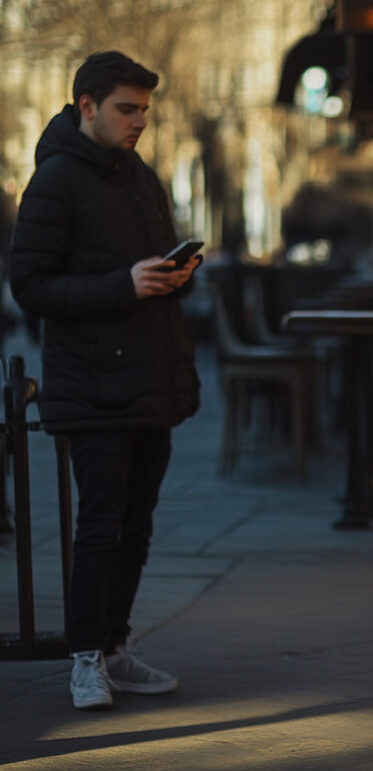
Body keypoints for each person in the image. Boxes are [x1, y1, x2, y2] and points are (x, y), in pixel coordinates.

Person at [9, 51, 201, 710]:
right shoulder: (56, 179)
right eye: (127, 107)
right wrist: (123, 285)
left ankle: (115, 648)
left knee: (136, 526)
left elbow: (147, 263)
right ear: (87, 105)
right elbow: (29, 284)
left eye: (145, 108)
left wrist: (173, 274)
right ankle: (85, 658)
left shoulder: (139, 175)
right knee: (99, 526)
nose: (140, 120)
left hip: (149, 380)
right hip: (92, 385)